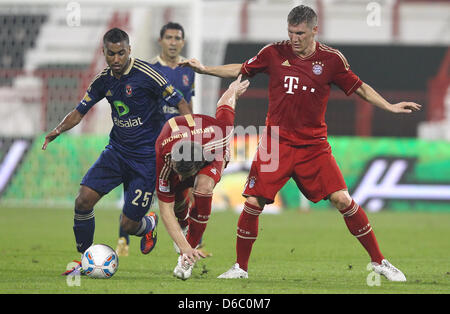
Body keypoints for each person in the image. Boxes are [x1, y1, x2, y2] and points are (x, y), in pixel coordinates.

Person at [179, 5, 421, 281]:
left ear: (314, 31)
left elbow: (360, 88)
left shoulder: (331, 60)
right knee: (253, 201)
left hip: (313, 146)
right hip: (275, 144)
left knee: (342, 199)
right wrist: (204, 69)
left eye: (300, 33)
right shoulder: (273, 53)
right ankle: (240, 268)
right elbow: (242, 70)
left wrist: (389, 107)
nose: (294, 38)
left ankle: (380, 262)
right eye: (291, 32)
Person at [42, 28, 191, 275]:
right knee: (83, 200)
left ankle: (149, 224)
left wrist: (190, 134)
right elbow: (80, 111)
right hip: (117, 152)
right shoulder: (103, 80)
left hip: (146, 159)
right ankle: (85, 259)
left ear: (129, 50)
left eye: (121, 53)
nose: (116, 59)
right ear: (104, 53)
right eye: (111, 54)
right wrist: (57, 130)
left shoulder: (147, 75)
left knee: (129, 224)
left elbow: (180, 102)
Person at [156, 75, 250, 280]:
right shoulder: (163, 155)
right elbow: (165, 210)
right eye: (178, 173)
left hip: (211, 153)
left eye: (185, 175)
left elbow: (225, 104)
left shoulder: (219, 135)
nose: (180, 177)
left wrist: (233, 89)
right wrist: (181, 241)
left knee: (203, 188)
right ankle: (185, 228)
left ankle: (188, 258)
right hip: (179, 136)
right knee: (178, 204)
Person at [115, 22, 197, 257]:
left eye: (177, 38)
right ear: (160, 41)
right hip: (150, 140)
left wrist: (192, 132)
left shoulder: (188, 70)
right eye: (168, 37)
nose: (173, 42)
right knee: (135, 188)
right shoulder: (148, 69)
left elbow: (187, 105)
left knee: (184, 190)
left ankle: (186, 239)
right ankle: (124, 239)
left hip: (178, 141)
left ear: (183, 41)